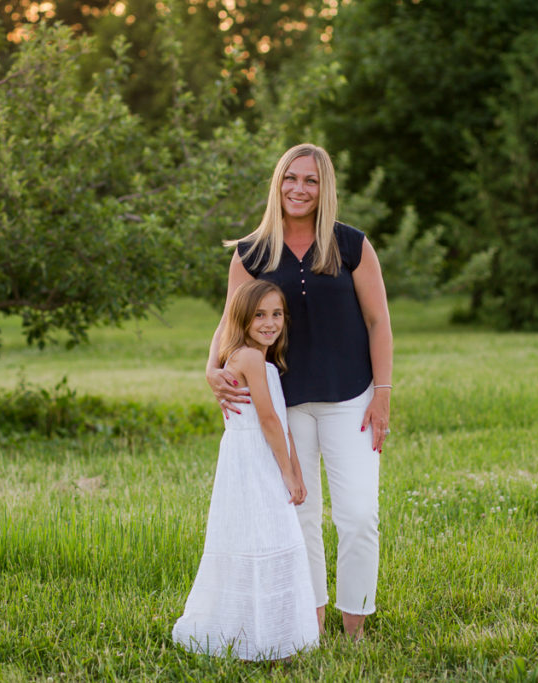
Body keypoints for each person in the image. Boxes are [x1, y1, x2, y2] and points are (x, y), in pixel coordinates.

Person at [206, 143, 393, 640]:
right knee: (301, 515)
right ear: (278, 183)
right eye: (291, 178)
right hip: (284, 404)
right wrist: (210, 370)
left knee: (358, 516)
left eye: (310, 180)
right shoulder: (252, 252)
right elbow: (230, 322)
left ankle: (355, 627)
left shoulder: (351, 245)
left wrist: (383, 393)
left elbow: (379, 322)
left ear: (324, 186)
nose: (299, 189)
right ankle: (310, 626)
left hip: (351, 398)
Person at [173, 279, 319, 661]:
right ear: (242, 317)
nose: (270, 323)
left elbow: (280, 423)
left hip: (261, 455)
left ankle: (269, 632)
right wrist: (287, 473)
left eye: (277, 315)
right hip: (255, 459)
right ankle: (261, 637)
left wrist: (297, 469)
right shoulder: (249, 359)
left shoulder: (257, 358)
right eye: (259, 315)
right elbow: (269, 420)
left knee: (264, 536)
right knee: (266, 538)